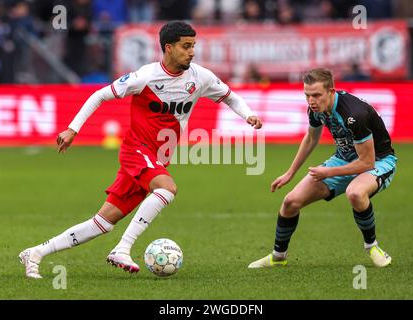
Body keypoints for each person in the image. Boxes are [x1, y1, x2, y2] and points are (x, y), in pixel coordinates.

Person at [19, 21, 262, 279]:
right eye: (186, 46)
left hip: (157, 159)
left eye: (194, 46)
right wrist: (72, 129)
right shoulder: (145, 77)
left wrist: (248, 115)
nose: (192, 52)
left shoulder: (200, 77)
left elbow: (229, 96)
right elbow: (100, 95)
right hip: (137, 150)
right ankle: (122, 249)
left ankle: (35, 253)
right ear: (168, 48)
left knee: (102, 223)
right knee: (167, 189)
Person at [248, 68, 396, 269]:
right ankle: (278, 256)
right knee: (291, 202)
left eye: (316, 95)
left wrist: (328, 172)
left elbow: (366, 163)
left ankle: (372, 246)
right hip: (344, 159)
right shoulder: (315, 109)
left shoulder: (354, 114)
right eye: (307, 95)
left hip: (379, 161)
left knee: (355, 193)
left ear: (331, 92)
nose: (311, 101)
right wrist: (290, 172)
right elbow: (311, 138)